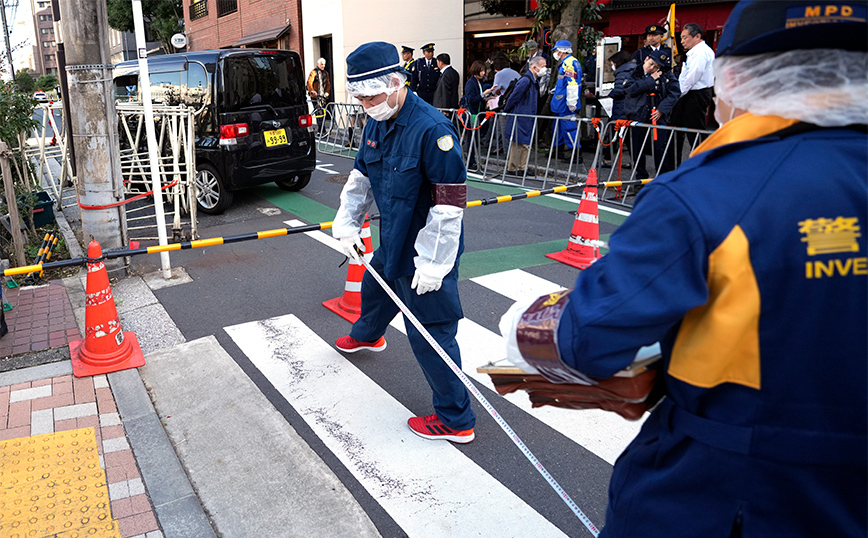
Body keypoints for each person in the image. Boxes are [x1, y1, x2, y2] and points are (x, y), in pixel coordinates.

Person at [500, 1, 867, 535]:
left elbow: (589, 336)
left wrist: (519, 326)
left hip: (725, 492)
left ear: (735, 78)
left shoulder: (709, 191)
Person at [332, 42, 476, 444]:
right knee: (377, 283)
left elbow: (450, 206)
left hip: (429, 246)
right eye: (358, 97)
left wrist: (433, 264)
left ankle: (455, 419)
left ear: (396, 84)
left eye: (371, 96)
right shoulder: (377, 120)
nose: (364, 105)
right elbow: (361, 177)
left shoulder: (433, 131)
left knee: (430, 331)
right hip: (393, 236)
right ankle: (367, 334)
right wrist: (346, 221)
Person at [625, 49, 680, 179]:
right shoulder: (634, 72)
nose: (652, 68)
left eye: (656, 66)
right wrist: (650, 80)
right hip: (637, 114)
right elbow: (630, 89)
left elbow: (675, 92)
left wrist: (662, 109)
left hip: (657, 115)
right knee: (637, 149)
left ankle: (662, 178)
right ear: (646, 59)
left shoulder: (666, 74)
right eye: (651, 64)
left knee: (660, 148)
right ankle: (640, 177)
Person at [670, 23, 715, 163]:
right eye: (681, 38)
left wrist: (678, 94)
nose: (682, 41)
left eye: (685, 37)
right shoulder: (695, 52)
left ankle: (701, 164)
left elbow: (693, 76)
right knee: (677, 128)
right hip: (689, 93)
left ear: (697, 36)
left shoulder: (700, 52)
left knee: (695, 132)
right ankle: (674, 164)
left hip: (695, 94)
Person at [503, 56, 546, 176]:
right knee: (518, 143)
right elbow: (514, 97)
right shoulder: (526, 81)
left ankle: (521, 167)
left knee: (524, 143)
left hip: (525, 115)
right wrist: (507, 109)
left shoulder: (531, 80)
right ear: (534, 67)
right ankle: (514, 167)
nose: (545, 69)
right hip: (521, 115)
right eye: (543, 67)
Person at [599, 49, 637, 168]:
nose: (612, 66)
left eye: (612, 63)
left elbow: (620, 90)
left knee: (612, 134)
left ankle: (608, 159)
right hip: (630, 107)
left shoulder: (623, 72)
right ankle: (634, 161)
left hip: (621, 108)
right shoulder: (633, 69)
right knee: (627, 137)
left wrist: (609, 95)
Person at [550, 40, 582, 163]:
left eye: (556, 50)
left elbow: (572, 84)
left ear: (562, 50)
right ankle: (558, 151)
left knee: (569, 128)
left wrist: (572, 102)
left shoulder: (569, 63)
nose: (555, 53)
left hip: (566, 103)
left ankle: (576, 154)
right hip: (561, 102)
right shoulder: (569, 62)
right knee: (558, 127)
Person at [462, 60, 494, 170]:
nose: (483, 73)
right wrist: (483, 95)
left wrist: (487, 98)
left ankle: (473, 159)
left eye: (484, 70)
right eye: (481, 71)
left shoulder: (478, 82)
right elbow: (471, 99)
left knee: (475, 138)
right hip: (472, 113)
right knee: (472, 138)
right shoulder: (471, 83)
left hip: (477, 113)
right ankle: (470, 161)